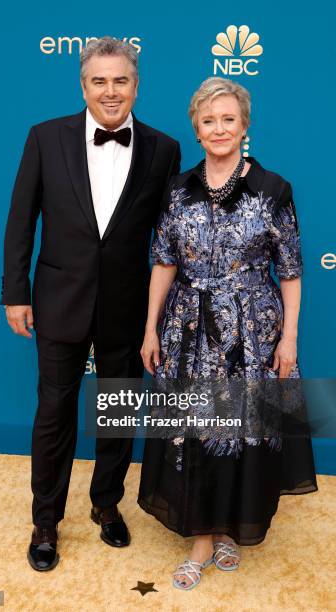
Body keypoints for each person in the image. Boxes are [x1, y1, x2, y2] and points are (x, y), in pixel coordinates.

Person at [0, 36, 181, 571]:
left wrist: (162, 317)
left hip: (126, 307)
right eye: (99, 81)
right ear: (83, 85)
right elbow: (20, 219)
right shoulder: (45, 138)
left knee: (118, 413)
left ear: (136, 85)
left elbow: (170, 240)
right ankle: (45, 521)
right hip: (59, 299)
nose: (110, 91)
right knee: (54, 414)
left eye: (120, 80)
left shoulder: (163, 148)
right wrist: (16, 293)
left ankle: (107, 505)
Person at [138, 76, 317, 590]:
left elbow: (290, 269)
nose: (219, 128)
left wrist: (289, 339)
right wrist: (150, 329)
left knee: (240, 429)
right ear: (196, 129)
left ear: (245, 126)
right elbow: (165, 262)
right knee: (196, 429)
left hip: (253, 330)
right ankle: (201, 537)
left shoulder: (273, 189)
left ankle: (230, 530)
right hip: (187, 328)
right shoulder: (177, 190)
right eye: (209, 120)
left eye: (228, 119)